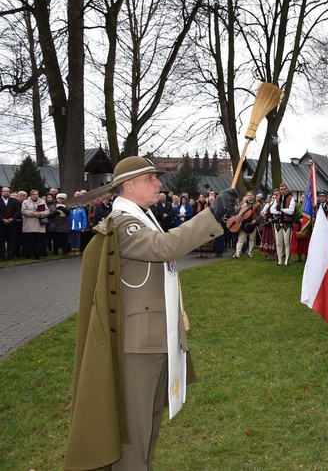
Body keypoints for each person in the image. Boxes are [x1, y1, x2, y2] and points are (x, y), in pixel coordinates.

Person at [64, 156, 237, 470]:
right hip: (138, 347)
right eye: (151, 179)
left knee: (147, 431)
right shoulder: (124, 223)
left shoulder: (142, 218)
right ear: (129, 186)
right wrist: (211, 214)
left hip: (155, 340)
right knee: (135, 438)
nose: (159, 184)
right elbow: (164, 247)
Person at [270, 183, 295, 265]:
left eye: (284, 189)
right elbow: (272, 210)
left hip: (286, 223)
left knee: (287, 242)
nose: (282, 191)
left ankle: (287, 260)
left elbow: (291, 211)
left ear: (287, 189)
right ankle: (279, 260)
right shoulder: (277, 198)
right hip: (278, 223)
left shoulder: (291, 198)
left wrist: (282, 210)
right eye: (281, 189)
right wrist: (279, 211)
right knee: (278, 242)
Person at [21, 189, 50, 259]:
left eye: (36, 194)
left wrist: (41, 214)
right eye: (33, 194)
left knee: (38, 240)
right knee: (30, 240)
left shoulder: (42, 202)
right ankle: (29, 254)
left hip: (39, 224)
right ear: (30, 195)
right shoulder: (25, 202)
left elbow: (47, 211)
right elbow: (23, 211)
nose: (35, 196)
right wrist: (33, 214)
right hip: (29, 223)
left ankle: (39, 254)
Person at [233, 191, 260, 258]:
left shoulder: (257, 204)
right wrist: (242, 206)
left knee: (252, 239)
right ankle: (237, 253)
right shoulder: (243, 203)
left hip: (252, 223)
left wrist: (256, 220)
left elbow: (260, 214)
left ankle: (250, 253)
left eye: (251, 195)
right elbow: (236, 210)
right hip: (243, 222)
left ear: (253, 196)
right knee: (241, 239)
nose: (249, 196)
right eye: (248, 195)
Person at [0, 186, 22, 260]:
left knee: (11, 240)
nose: (6, 192)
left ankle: (11, 255)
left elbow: (18, 211)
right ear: (1, 192)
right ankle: (2, 256)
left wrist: (12, 218)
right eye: (4, 191)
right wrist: (2, 219)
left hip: (12, 223)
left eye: (8, 191)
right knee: (1, 240)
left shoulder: (14, 201)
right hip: (1, 224)